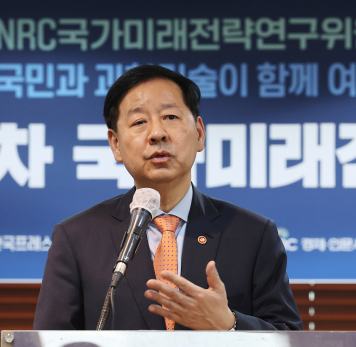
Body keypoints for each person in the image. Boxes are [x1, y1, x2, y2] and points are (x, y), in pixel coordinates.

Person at [34, 65, 302, 331]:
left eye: (170, 117)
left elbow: (292, 343)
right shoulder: (76, 238)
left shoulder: (253, 235)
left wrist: (230, 324)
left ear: (199, 133)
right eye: (139, 122)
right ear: (116, 144)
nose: (157, 134)